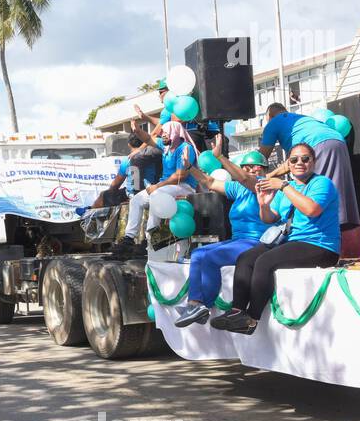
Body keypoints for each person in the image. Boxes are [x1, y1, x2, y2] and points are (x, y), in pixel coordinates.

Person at [212, 143, 341, 335]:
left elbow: (311, 209)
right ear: (288, 163)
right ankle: (237, 312)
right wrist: (263, 206)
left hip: (320, 245)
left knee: (264, 261)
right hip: (293, 242)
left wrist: (283, 185)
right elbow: (270, 218)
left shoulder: (321, 183)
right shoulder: (287, 189)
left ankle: (251, 319)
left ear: (313, 162)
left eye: (305, 159)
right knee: (246, 258)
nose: (300, 163)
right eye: (294, 159)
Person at [173, 149, 270, 327]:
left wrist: (219, 157)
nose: (252, 169)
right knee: (198, 253)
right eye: (246, 166)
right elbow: (208, 181)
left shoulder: (267, 185)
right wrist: (189, 167)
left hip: (258, 241)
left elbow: (246, 179)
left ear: (265, 169)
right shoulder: (239, 188)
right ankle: (194, 304)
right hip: (238, 240)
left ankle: (204, 305)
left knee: (211, 257)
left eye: (257, 166)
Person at [259, 102, 359, 230]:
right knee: (335, 192)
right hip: (339, 141)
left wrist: (258, 176)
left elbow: (261, 158)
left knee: (314, 190)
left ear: (270, 116)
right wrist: (271, 175)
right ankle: (341, 228)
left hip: (317, 146)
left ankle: (314, 232)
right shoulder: (301, 119)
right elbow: (293, 163)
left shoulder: (274, 122)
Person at [114, 120, 198, 257]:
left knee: (156, 195)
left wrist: (157, 186)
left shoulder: (185, 148)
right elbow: (148, 138)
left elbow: (181, 175)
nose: (162, 135)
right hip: (166, 187)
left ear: (175, 133)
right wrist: (137, 131)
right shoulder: (166, 146)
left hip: (183, 186)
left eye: (165, 133)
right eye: (162, 132)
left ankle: (150, 239)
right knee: (136, 200)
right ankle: (129, 238)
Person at [93, 134, 162, 209]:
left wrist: (110, 194)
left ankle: (89, 211)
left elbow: (116, 184)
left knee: (104, 195)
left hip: (134, 194)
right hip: (152, 191)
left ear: (129, 145)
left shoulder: (129, 160)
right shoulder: (154, 157)